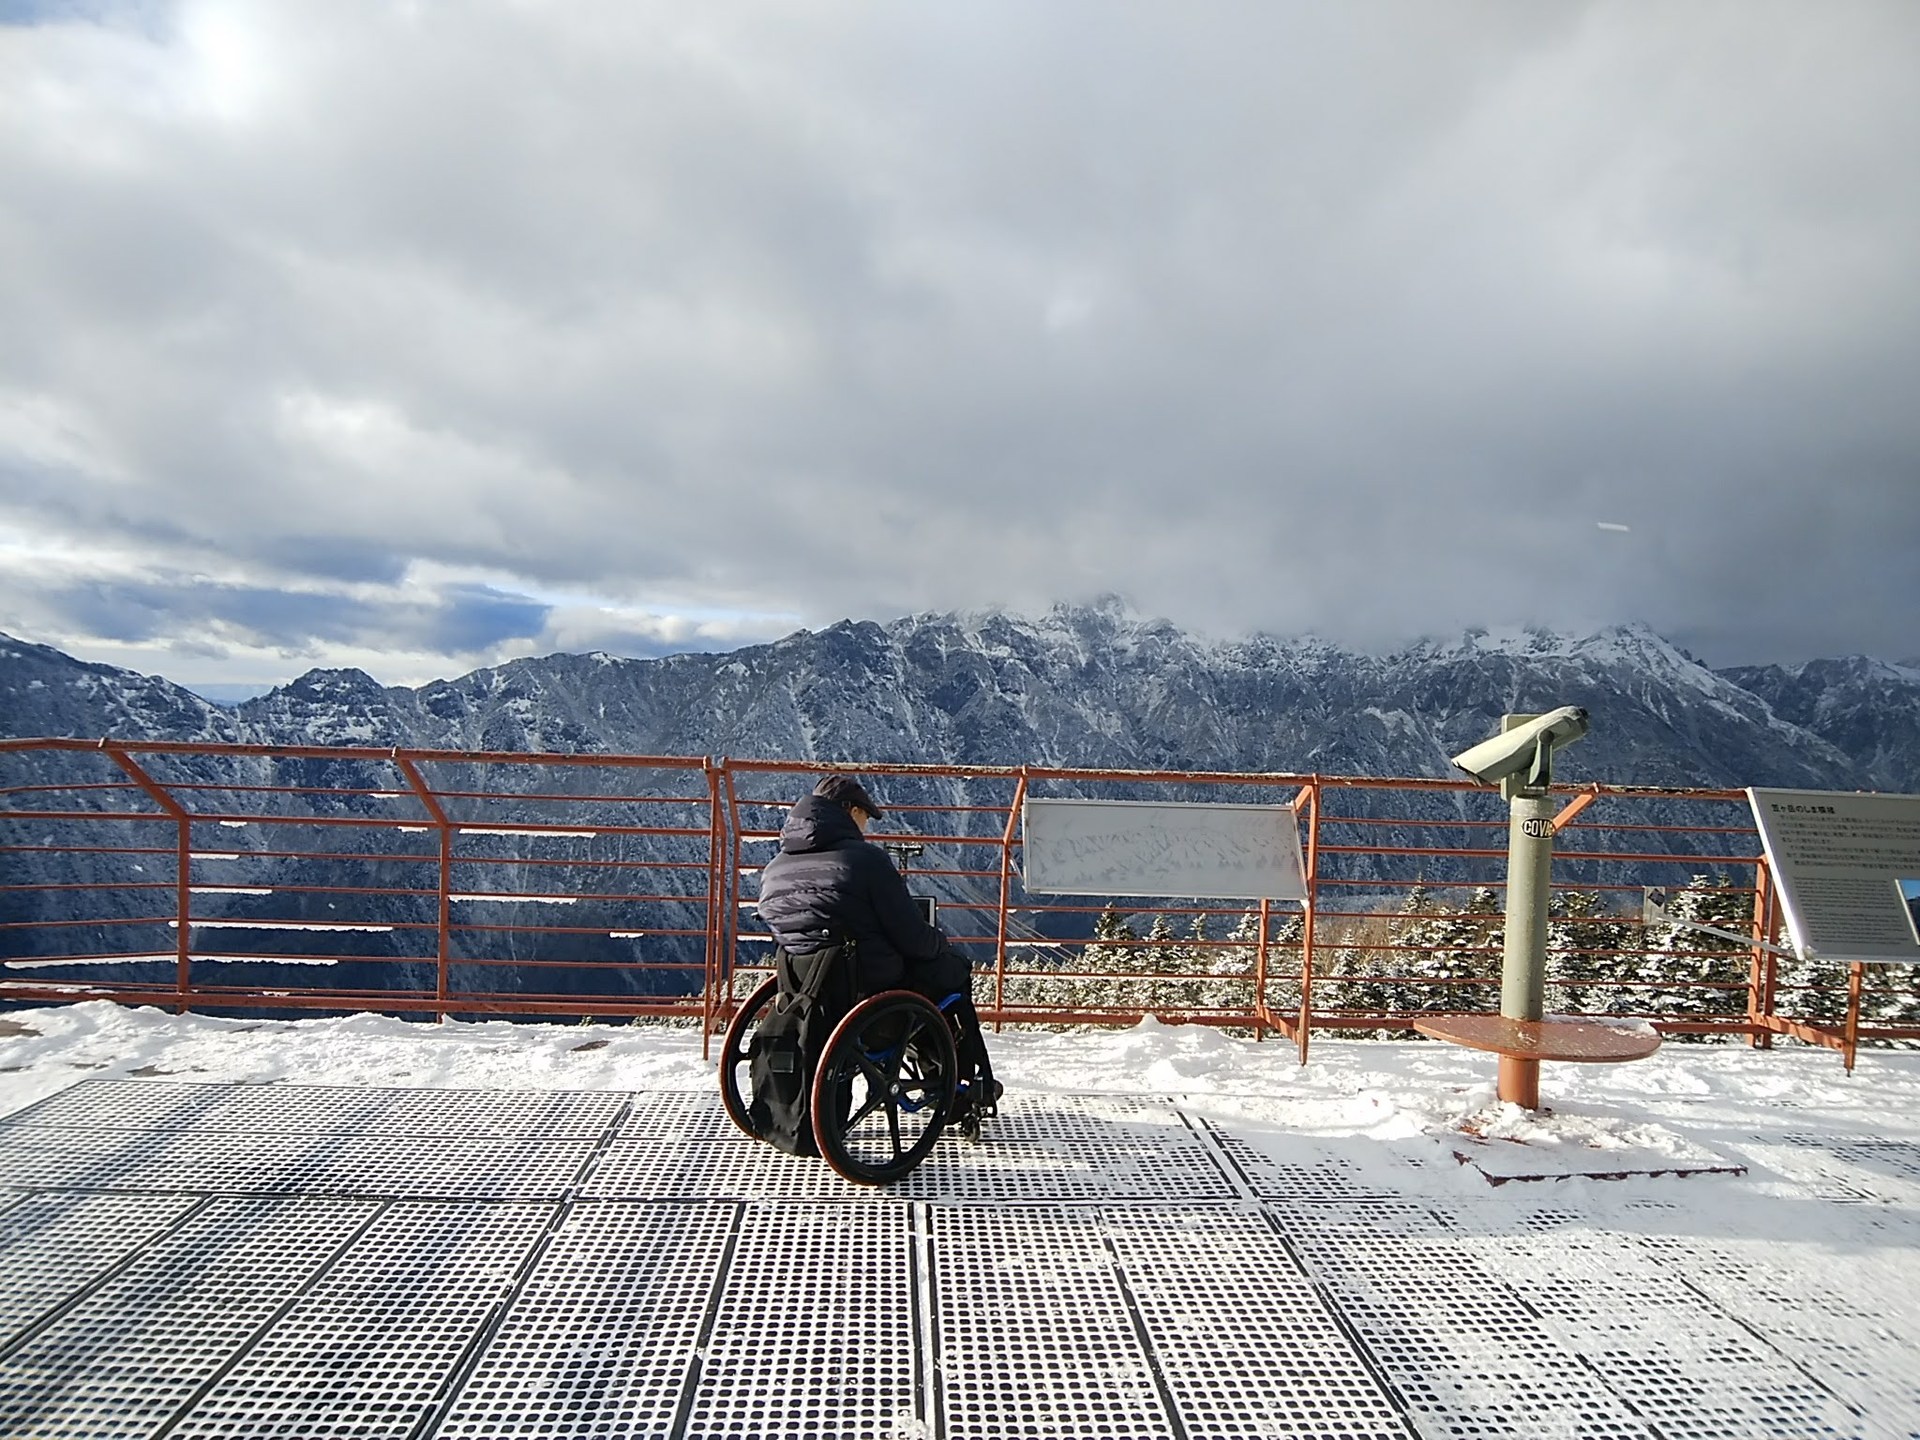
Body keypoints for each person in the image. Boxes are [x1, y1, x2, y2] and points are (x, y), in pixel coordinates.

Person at [756, 773, 999, 1126]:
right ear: (850, 810)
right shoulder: (865, 861)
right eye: (865, 816)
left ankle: (941, 1077)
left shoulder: (775, 868)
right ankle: (955, 1086)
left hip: (806, 998)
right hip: (865, 1000)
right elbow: (913, 937)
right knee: (951, 973)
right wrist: (941, 944)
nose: (866, 825)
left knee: (916, 980)